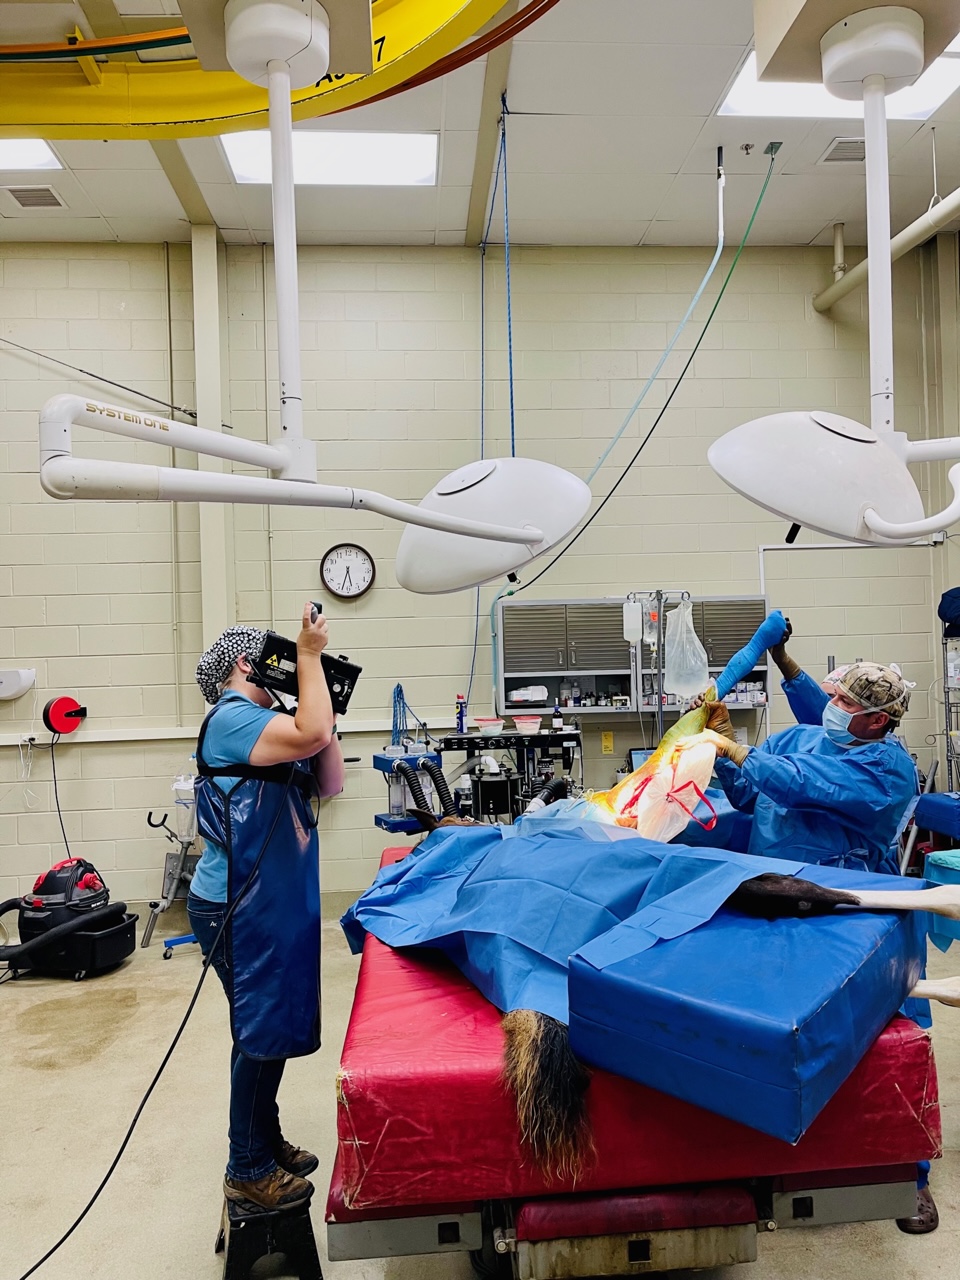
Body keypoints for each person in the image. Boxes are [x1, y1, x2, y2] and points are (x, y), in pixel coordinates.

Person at [701, 661, 936, 1233]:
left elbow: (806, 785)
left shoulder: (887, 770)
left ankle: (910, 1173)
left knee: (888, 1036)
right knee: (774, 1022)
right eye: (829, 695)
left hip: (851, 907)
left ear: (877, 718)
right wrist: (729, 753)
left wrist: (742, 755)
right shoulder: (801, 737)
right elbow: (754, 793)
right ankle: (775, 1148)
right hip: (774, 895)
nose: (829, 706)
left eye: (842, 700)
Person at [188, 605, 344, 1213]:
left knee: (271, 1025)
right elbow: (307, 736)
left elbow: (327, 779)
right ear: (246, 664)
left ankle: (263, 1139)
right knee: (258, 1030)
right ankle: (245, 1166)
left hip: (269, 902)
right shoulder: (230, 719)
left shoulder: (270, 722)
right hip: (234, 904)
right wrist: (306, 660)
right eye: (276, 659)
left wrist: (323, 699)